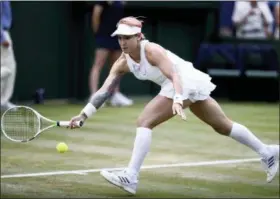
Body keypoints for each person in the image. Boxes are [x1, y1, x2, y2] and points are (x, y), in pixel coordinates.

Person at [69, 17, 279, 195]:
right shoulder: (122, 63)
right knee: (222, 126)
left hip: (182, 81)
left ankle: (131, 177)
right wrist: (83, 115)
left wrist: (178, 98)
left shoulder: (152, 51)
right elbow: (104, 91)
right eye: (120, 37)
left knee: (144, 121)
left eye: (127, 37)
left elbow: (174, 75)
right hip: (183, 83)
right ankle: (268, 151)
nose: (123, 42)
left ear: (139, 37)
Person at [89, 1, 133, 107]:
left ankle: (115, 95)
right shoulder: (102, 2)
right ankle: (94, 95)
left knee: (117, 66)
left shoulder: (121, 2)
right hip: (103, 36)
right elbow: (96, 15)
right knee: (98, 65)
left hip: (117, 35)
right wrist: (98, 33)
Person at [1, 1, 17, 111]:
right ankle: (3, 102)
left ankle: (3, 101)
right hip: (2, 33)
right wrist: (2, 38)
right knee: (8, 69)